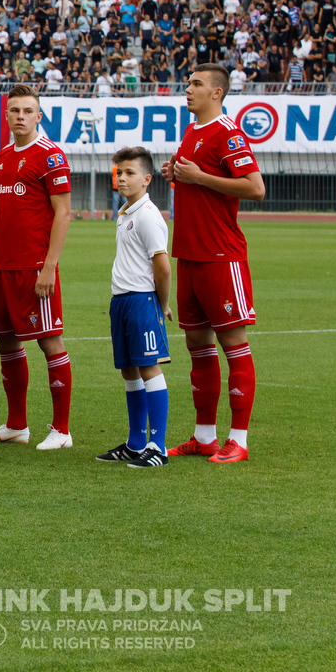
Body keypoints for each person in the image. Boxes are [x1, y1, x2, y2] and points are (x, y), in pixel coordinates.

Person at [164, 64, 265, 465]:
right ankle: (204, 436)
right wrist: (180, 175)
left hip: (222, 256)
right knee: (198, 346)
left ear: (217, 93)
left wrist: (202, 177)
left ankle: (238, 440)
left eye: (196, 84)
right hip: (188, 254)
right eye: (189, 82)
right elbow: (197, 180)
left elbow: (256, 188)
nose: (187, 89)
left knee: (234, 346)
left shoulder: (229, 132)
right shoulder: (193, 132)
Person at [0, 84, 75, 450]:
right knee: (6, 342)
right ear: (7, 115)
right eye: (15, 111)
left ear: (38, 116)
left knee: (49, 341)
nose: (20, 116)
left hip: (34, 267)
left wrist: (48, 266)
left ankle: (62, 430)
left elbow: (63, 212)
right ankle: (17, 424)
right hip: (2, 266)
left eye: (28, 111)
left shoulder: (50, 155)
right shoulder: (5, 155)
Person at [97, 148, 172, 468]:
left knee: (149, 368)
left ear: (146, 179)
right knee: (129, 370)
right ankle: (136, 441)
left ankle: (158, 446)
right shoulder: (126, 212)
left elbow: (163, 266)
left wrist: (162, 304)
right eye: (119, 172)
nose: (123, 178)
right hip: (122, 301)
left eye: (129, 173)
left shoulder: (148, 214)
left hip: (142, 300)